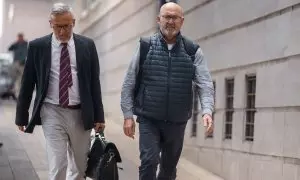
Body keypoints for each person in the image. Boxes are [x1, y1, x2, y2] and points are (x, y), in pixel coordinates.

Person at [121, 2, 214, 180]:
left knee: (168, 169)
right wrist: (127, 115)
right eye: (167, 17)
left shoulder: (192, 50)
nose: (170, 21)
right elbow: (129, 82)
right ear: (158, 19)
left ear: (182, 21)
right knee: (149, 161)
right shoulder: (145, 46)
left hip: (177, 121)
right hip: (149, 118)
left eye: (175, 17)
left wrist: (207, 111)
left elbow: (205, 83)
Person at [15, 3, 105, 180]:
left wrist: (99, 116)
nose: (62, 32)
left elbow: (94, 82)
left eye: (66, 26)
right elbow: (27, 83)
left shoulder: (87, 45)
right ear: (50, 23)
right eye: (58, 27)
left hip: (81, 112)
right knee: (58, 164)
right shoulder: (37, 47)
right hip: (52, 111)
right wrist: (21, 115)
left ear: (74, 22)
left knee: (80, 168)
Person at [8, 33, 28, 97]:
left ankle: (20, 92)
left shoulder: (26, 44)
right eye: (18, 37)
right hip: (15, 63)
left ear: (22, 37)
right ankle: (14, 89)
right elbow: (9, 48)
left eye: (20, 37)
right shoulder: (16, 44)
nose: (19, 39)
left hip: (22, 63)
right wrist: (15, 43)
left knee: (21, 78)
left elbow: (27, 52)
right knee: (14, 77)